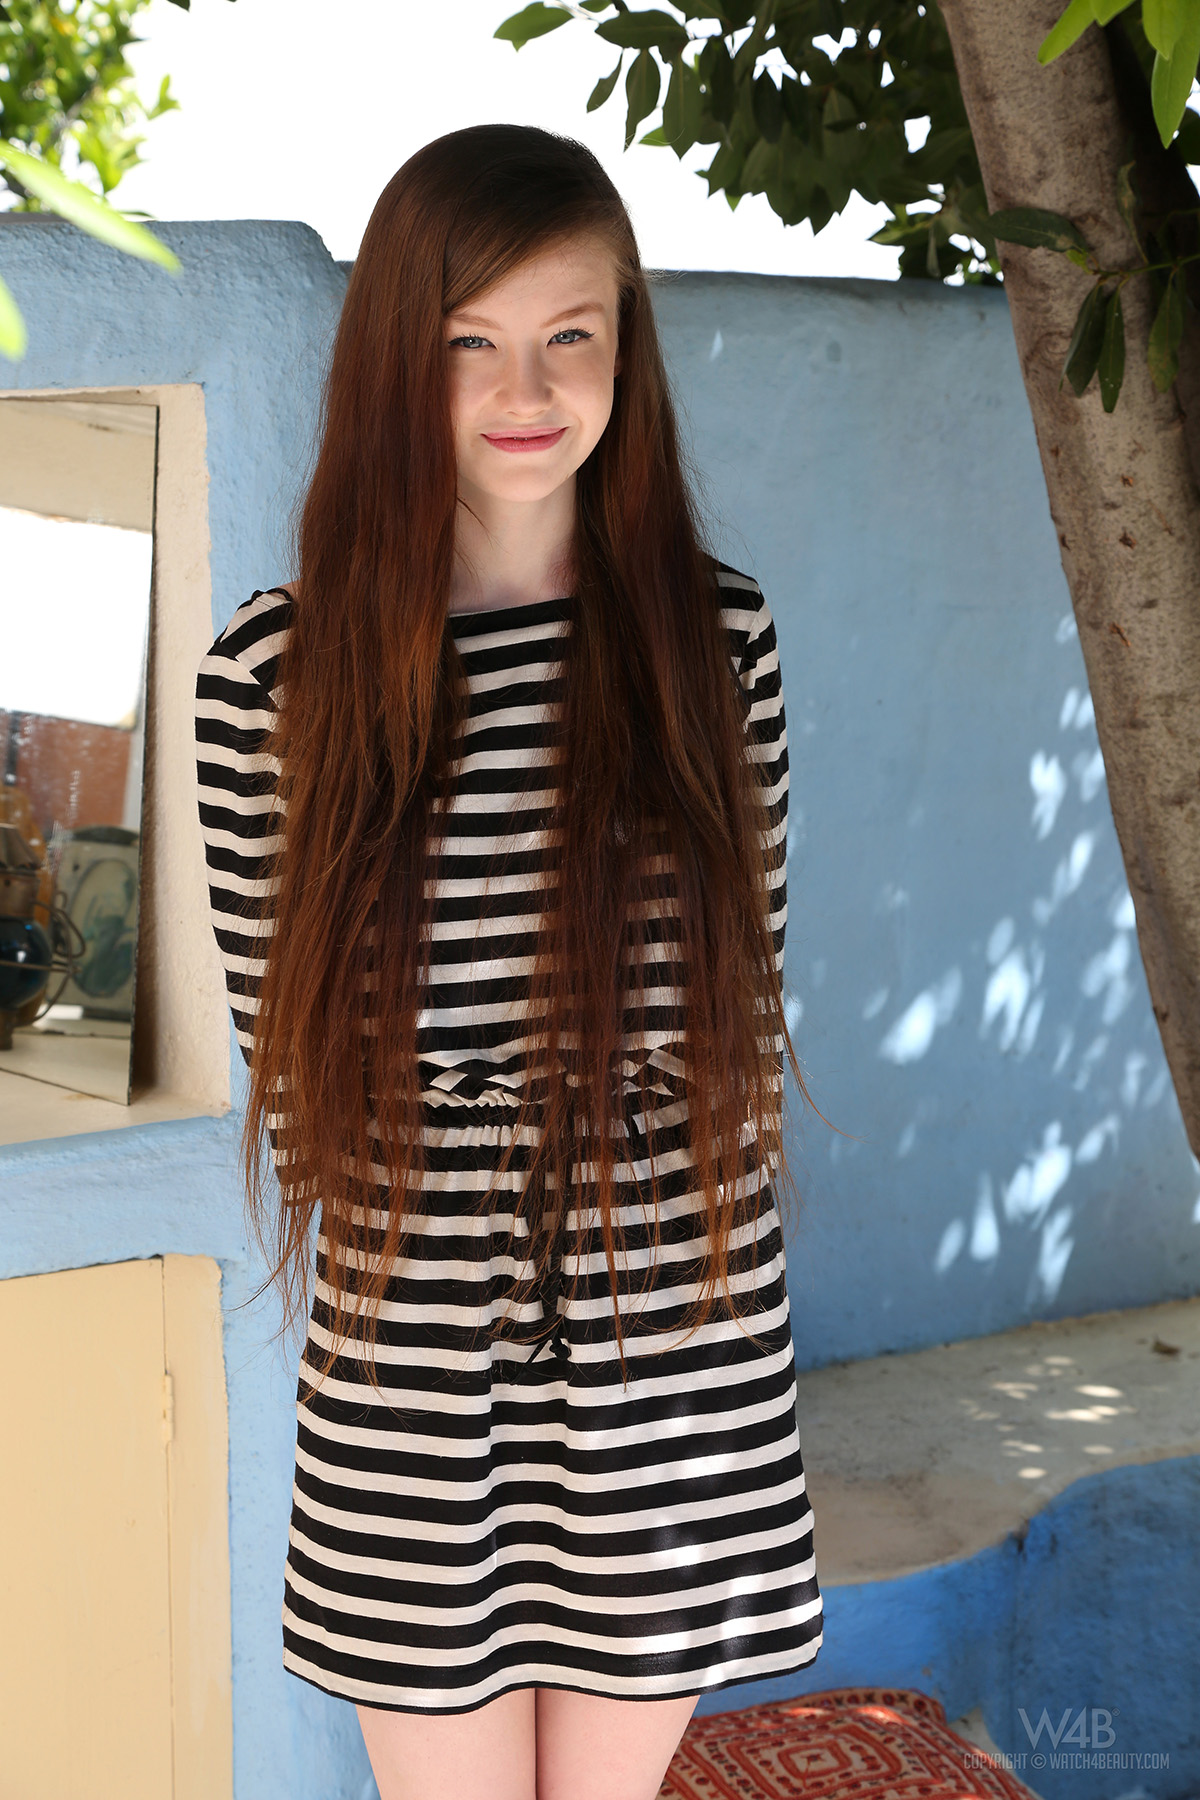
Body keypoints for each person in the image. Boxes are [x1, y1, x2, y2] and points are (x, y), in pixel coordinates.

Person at [195, 123, 822, 1800]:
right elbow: (293, 1064)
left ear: (627, 346)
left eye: (569, 333)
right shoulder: (276, 673)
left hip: (665, 1315)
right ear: (396, 361)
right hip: (416, 1336)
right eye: (469, 339)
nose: (524, 388)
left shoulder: (713, 637)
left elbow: (743, 1004)